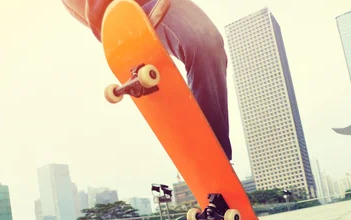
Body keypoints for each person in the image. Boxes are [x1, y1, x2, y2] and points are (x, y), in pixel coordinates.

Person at [61, 0, 233, 161]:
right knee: (200, 41)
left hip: (160, 4)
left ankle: (215, 152)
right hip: (122, 12)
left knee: (207, 42)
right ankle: (209, 152)